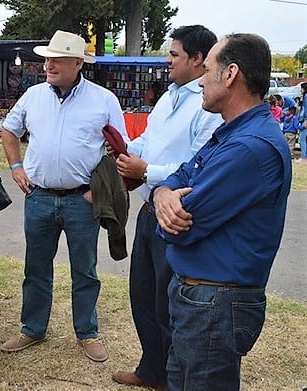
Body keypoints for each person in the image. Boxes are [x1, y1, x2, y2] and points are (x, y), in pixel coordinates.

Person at [151, 33, 292, 390]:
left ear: (230, 75)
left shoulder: (249, 148)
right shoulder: (233, 133)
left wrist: (165, 204)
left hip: (214, 304)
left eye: (208, 69)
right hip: (201, 300)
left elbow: (179, 227)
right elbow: (179, 174)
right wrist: (162, 193)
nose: (200, 79)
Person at [0, 30, 127, 363]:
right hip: (38, 197)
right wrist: (15, 166)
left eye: (56, 59)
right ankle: (33, 328)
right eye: (47, 58)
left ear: (76, 62)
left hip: (82, 200)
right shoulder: (33, 95)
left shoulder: (104, 100)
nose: (48, 65)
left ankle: (87, 332)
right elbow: (9, 131)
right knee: (36, 267)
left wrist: (93, 191)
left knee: (84, 269)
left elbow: (119, 150)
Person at [109, 25, 223, 390]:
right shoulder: (169, 95)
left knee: (168, 300)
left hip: (175, 214)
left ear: (197, 59)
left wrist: (147, 172)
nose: (167, 60)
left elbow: (198, 165)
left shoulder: (207, 106)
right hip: (148, 210)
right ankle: (151, 369)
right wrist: (127, 151)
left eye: (174, 54)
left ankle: (172, 377)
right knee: (142, 293)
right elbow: (148, 139)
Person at [296, 82, 307, 162]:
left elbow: (305, 110)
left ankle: (303, 157)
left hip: (305, 120)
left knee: (302, 139)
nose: (300, 90)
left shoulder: (306, 97)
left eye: (301, 88)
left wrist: (305, 120)